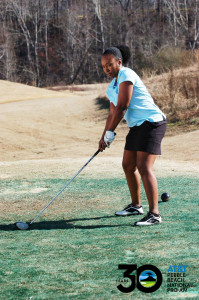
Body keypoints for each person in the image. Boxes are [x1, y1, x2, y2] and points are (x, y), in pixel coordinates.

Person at [99, 45, 167, 226]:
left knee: (144, 166)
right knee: (128, 165)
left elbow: (123, 107)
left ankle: (154, 214)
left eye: (110, 64)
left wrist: (111, 132)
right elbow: (112, 113)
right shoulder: (111, 88)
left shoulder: (126, 74)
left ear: (119, 62)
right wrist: (103, 137)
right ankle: (136, 205)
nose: (107, 68)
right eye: (104, 66)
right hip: (137, 127)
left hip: (152, 123)